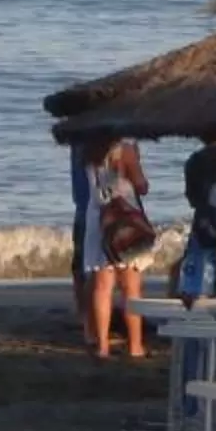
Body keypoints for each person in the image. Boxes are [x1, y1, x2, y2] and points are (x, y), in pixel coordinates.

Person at [73, 132, 153, 357]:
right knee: (131, 287)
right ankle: (135, 345)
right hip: (125, 217)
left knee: (102, 287)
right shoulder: (125, 151)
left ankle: (102, 345)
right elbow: (141, 185)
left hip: (99, 216)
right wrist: (136, 161)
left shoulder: (88, 151)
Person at [176, 135, 216, 308]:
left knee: (199, 275)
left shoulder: (194, 161)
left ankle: (198, 302)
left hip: (203, 222)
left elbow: (192, 198)